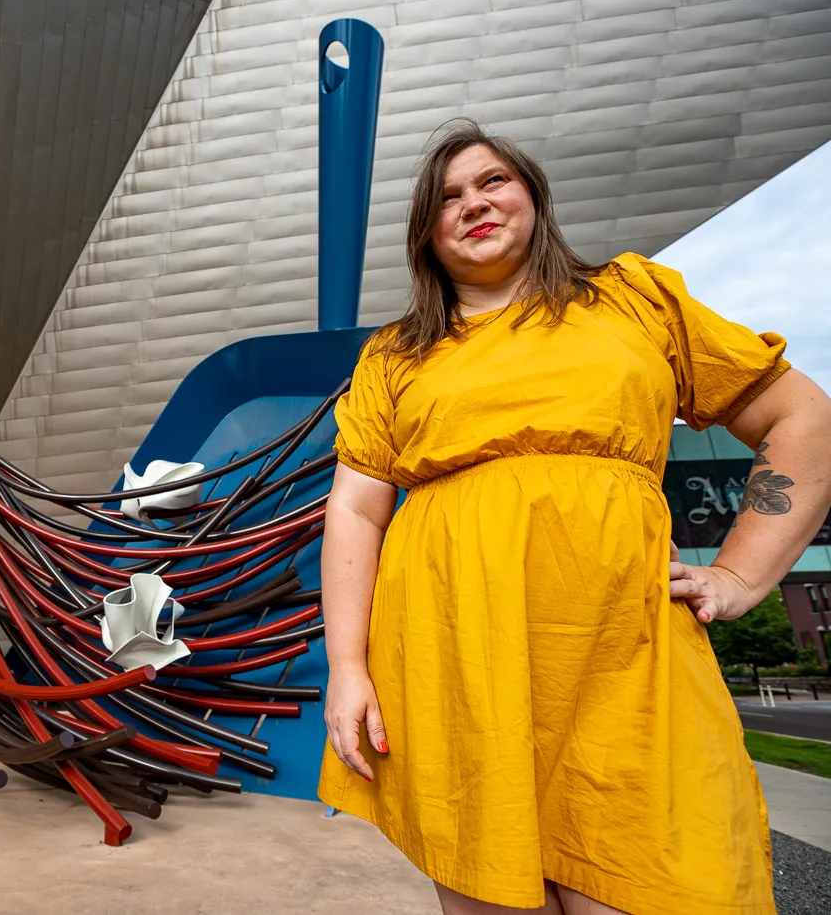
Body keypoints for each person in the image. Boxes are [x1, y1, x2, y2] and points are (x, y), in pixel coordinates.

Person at [317, 118, 831, 914]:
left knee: (662, 875)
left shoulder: (635, 297)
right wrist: (348, 668)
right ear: (426, 234)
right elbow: (356, 507)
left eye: (492, 180)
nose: (474, 203)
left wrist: (740, 573)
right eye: (447, 197)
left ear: (532, 194)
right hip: (455, 655)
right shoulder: (395, 354)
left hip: (625, 652)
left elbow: (802, 418)